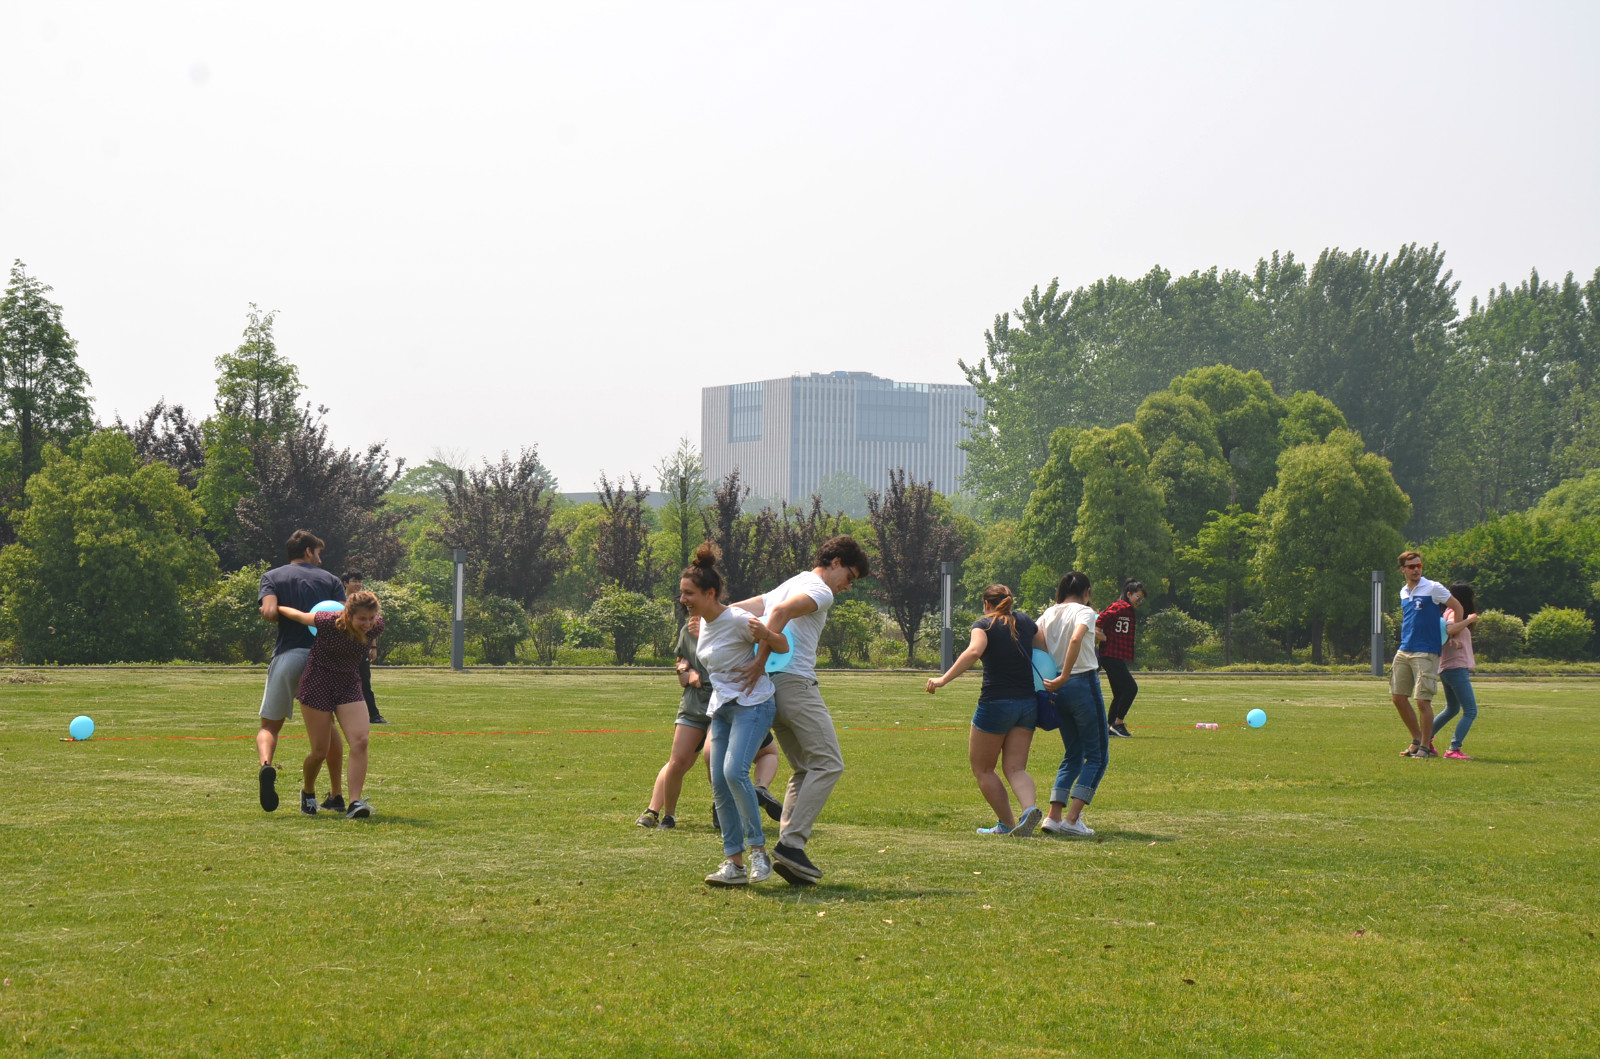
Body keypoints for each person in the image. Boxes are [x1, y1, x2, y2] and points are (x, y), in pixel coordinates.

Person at [733, 535, 871, 886]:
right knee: (829, 763)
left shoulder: (793, 582)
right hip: (795, 685)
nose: (848, 587)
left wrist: (711, 619)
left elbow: (743, 609)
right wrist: (760, 660)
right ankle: (792, 847)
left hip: (773, 690)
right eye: (850, 577)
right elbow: (779, 614)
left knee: (805, 768)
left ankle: (790, 850)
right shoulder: (821, 590)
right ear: (836, 562)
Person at [680, 543, 791, 886]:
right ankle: (734, 864)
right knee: (720, 784)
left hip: (753, 704)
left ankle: (759, 853)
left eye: (689, 593)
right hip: (722, 708)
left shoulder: (739, 618)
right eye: (682, 593)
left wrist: (766, 636)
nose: (683, 599)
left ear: (710, 593)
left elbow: (782, 645)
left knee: (734, 771)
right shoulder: (703, 624)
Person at [636, 615, 784, 830]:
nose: (689, 606)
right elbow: (682, 663)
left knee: (717, 755)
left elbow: (759, 649)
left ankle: (726, 805)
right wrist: (684, 670)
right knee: (678, 761)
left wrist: (704, 640)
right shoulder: (689, 629)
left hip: (727, 704)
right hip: (700, 706)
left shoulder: (732, 623)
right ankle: (659, 813)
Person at [925, 584, 1042, 836]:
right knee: (1016, 769)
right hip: (1028, 704)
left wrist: (943, 679)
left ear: (986, 604)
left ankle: (1007, 824)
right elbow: (1044, 648)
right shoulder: (1024, 621)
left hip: (995, 704)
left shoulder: (984, 625)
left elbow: (974, 651)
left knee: (984, 769)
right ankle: (1029, 809)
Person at [255, 530, 346, 813]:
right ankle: (335, 793)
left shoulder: (272, 577)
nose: (320, 560)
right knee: (328, 727)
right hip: (323, 660)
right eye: (318, 553)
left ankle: (266, 765)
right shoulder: (331, 580)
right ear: (308, 551)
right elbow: (345, 618)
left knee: (269, 726)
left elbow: (269, 612)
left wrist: (286, 609)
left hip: (288, 656)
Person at [274, 590, 385, 819]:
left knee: (361, 740)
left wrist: (371, 633)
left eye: (371, 618)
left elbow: (371, 630)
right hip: (317, 683)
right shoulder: (328, 621)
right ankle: (308, 791)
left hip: (348, 683)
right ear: (348, 615)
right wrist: (275, 607)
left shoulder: (376, 626)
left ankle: (354, 803)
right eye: (361, 619)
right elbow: (298, 616)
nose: (367, 624)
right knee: (319, 751)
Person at [1036, 572, 1108, 836]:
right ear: (1086, 592)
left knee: (1073, 753)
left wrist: (1054, 674)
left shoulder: (1048, 613)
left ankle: (1053, 817)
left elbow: (1037, 642)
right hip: (1082, 683)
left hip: (1056, 689)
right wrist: (1066, 674)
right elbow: (1077, 638)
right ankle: (1072, 820)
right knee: (1097, 756)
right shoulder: (1085, 612)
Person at [1392, 551, 1465, 759]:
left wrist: (1455, 633)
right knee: (1398, 698)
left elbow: (1457, 607)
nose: (1416, 570)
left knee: (1423, 701)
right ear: (1403, 570)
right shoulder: (1403, 592)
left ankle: (1425, 746)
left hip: (1426, 651)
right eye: (1411, 566)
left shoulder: (1433, 587)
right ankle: (1416, 740)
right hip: (1405, 649)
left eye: (1419, 565)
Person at [1432, 581, 1481, 760]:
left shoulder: (1447, 612)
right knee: (1470, 711)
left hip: (1447, 668)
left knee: (1452, 708)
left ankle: (1424, 739)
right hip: (1456, 668)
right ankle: (1454, 748)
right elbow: (1451, 628)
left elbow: (1449, 633)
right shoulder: (1454, 613)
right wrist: (1470, 619)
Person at [1097, 579, 1147, 738]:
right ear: (1129, 594)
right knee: (1131, 688)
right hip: (1111, 655)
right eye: (1138, 597)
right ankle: (1118, 724)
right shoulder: (1121, 607)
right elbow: (1100, 619)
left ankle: (1109, 727)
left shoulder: (1127, 609)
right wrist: (1098, 633)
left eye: (1142, 599)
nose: (1140, 601)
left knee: (1119, 692)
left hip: (1114, 656)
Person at [341, 572, 388, 727]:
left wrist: (373, 646)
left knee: (364, 681)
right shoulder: (338, 601)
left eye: (360, 581)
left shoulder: (365, 601)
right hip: (342, 649)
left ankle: (373, 715)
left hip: (361, 648)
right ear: (345, 583)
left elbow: (371, 627)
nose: (358, 584)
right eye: (354, 581)